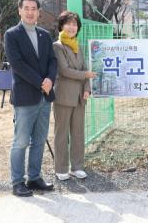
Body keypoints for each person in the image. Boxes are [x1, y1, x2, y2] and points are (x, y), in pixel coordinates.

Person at [5, 0, 57, 197]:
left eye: (33, 8)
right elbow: (18, 65)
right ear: (19, 10)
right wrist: (40, 82)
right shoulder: (12, 34)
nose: (30, 11)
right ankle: (17, 182)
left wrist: (50, 80)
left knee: (40, 139)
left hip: (45, 97)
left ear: (38, 11)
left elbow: (52, 61)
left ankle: (34, 178)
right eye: (26, 8)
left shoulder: (44, 34)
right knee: (20, 141)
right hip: (26, 97)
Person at [53, 11, 96, 181]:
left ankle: (77, 167)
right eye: (68, 23)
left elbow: (85, 68)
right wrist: (86, 76)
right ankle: (61, 168)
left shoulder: (78, 46)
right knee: (61, 133)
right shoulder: (57, 46)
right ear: (61, 26)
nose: (72, 27)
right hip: (63, 96)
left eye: (75, 24)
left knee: (78, 133)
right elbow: (64, 71)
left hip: (80, 97)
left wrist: (87, 88)